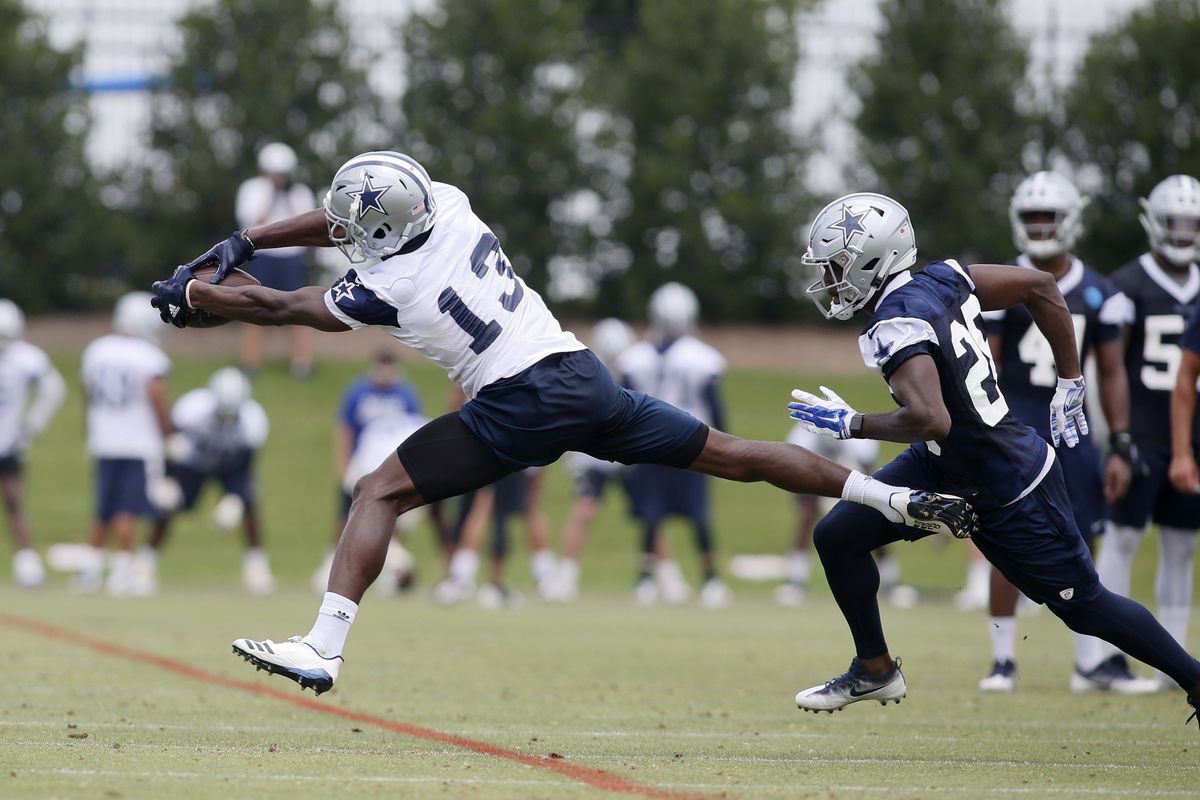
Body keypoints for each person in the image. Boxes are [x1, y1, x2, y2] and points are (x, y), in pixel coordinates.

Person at [150, 150, 975, 695]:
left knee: (378, 493)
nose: (340, 233)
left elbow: (282, 304)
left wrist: (195, 297)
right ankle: (893, 501)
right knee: (729, 454)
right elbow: (339, 225)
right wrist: (243, 238)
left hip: (520, 398)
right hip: (580, 374)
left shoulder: (390, 288)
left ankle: (322, 648)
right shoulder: (452, 202)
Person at [785, 191, 1200, 724]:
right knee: (839, 535)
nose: (834, 279)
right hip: (947, 462)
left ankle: (1194, 677)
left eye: (840, 265)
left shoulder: (896, 319)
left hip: (1008, 482)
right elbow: (1039, 286)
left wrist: (853, 423)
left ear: (873, 258)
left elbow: (932, 417)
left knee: (1085, 607)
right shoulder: (943, 277)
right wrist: (1070, 376)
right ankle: (875, 668)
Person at [977, 171, 1154, 694]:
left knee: (1083, 539)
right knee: (1004, 540)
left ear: (1069, 220)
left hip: (1073, 427)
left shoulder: (1100, 290)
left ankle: (1089, 663)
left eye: (1047, 216)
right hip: (1014, 423)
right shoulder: (1000, 280)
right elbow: (986, 362)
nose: (1039, 225)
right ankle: (1003, 659)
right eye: (1031, 216)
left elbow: (1114, 371)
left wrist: (1119, 441)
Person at [1098, 174, 1200, 691]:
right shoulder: (1126, 284)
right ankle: (1107, 658)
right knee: (1123, 538)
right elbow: (1110, 367)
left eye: (1192, 224)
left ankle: (1176, 665)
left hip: (1192, 435)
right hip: (1141, 431)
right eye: (1174, 223)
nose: (1182, 234)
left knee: (1182, 545)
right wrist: (1116, 436)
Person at [618, 283, 732, 608]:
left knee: (654, 516)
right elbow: (716, 406)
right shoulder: (702, 357)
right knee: (695, 515)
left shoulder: (634, 358)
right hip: (692, 441)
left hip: (649, 443)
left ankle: (646, 582)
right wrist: (727, 444)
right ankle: (710, 580)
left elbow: (622, 404)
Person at [143, 367, 273, 596]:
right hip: (192, 464)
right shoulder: (191, 409)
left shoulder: (254, 420)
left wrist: (236, 497)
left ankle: (257, 569)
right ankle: (144, 566)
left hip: (230, 465)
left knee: (249, 505)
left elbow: (246, 466)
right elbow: (171, 443)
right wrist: (168, 478)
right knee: (168, 505)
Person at [78, 292, 173, 596]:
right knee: (127, 509)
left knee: (102, 509)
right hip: (138, 441)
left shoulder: (96, 350)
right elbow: (155, 394)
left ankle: (90, 570)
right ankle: (121, 572)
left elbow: (89, 393)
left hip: (104, 438)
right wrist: (168, 433)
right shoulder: (149, 357)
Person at [311, 348, 423, 591]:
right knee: (346, 517)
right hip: (362, 463)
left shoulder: (406, 395)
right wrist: (344, 466)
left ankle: (386, 568)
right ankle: (330, 565)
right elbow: (345, 430)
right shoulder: (358, 392)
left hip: (392, 468)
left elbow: (414, 431)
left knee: (393, 520)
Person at [774, 428, 914, 610]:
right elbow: (794, 468)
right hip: (813, 472)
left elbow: (869, 471)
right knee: (807, 514)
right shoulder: (803, 432)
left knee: (873, 517)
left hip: (852, 474)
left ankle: (891, 584)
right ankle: (795, 581)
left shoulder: (855, 431)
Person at [547, 318, 637, 603]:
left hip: (628, 454)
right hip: (595, 456)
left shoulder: (632, 371)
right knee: (584, 511)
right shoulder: (589, 372)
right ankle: (566, 577)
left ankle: (665, 576)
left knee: (649, 514)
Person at [235, 142, 317, 378]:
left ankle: (302, 364)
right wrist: (272, 197)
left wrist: (287, 197)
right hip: (261, 255)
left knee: (300, 310)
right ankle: (250, 362)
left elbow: (305, 223)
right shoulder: (251, 189)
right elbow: (250, 221)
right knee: (253, 308)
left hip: (291, 257)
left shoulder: (299, 192)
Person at [0, 299, 66, 587]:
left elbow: (53, 390)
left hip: (7, 443)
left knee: (14, 502)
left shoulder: (26, 358)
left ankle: (27, 565)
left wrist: (31, 427)